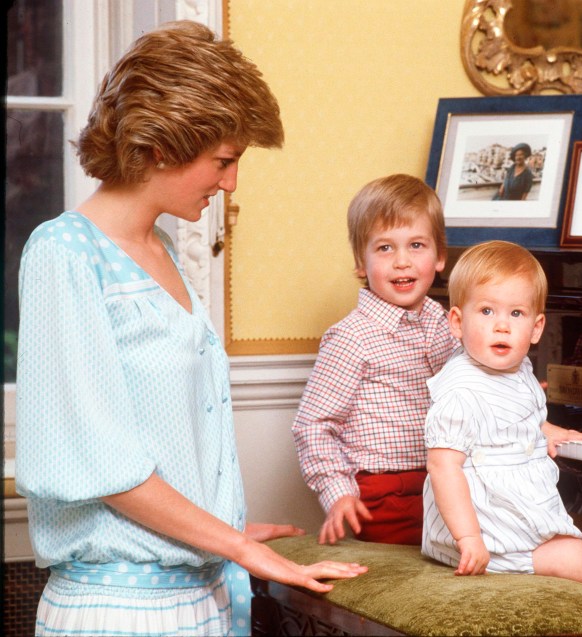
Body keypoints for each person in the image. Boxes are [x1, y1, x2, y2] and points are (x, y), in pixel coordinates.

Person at [14, 21, 367, 637]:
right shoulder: (65, 253)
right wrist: (237, 546)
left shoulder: (164, 251)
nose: (231, 182)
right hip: (123, 614)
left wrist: (225, 532)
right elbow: (99, 465)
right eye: (224, 161)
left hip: (197, 598)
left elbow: (167, 437)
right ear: (159, 146)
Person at [421, 240, 582, 595]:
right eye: (486, 311)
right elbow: (443, 468)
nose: (502, 326)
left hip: (513, 523)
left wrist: (550, 430)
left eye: (516, 314)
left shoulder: (519, 372)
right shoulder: (461, 393)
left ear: (536, 327)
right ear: (456, 321)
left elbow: (520, 418)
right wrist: (469, 539)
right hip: (488, 536)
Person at [293, 174, 456, 546]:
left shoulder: (449, 326)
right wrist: (339, 492)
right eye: (385, 248)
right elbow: (313, 425)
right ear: (360, 263)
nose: (402, 262)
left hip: (450, 478)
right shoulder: (351, 337)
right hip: (386, 491)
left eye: (416, 245)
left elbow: (476, 394)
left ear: (440, 256)